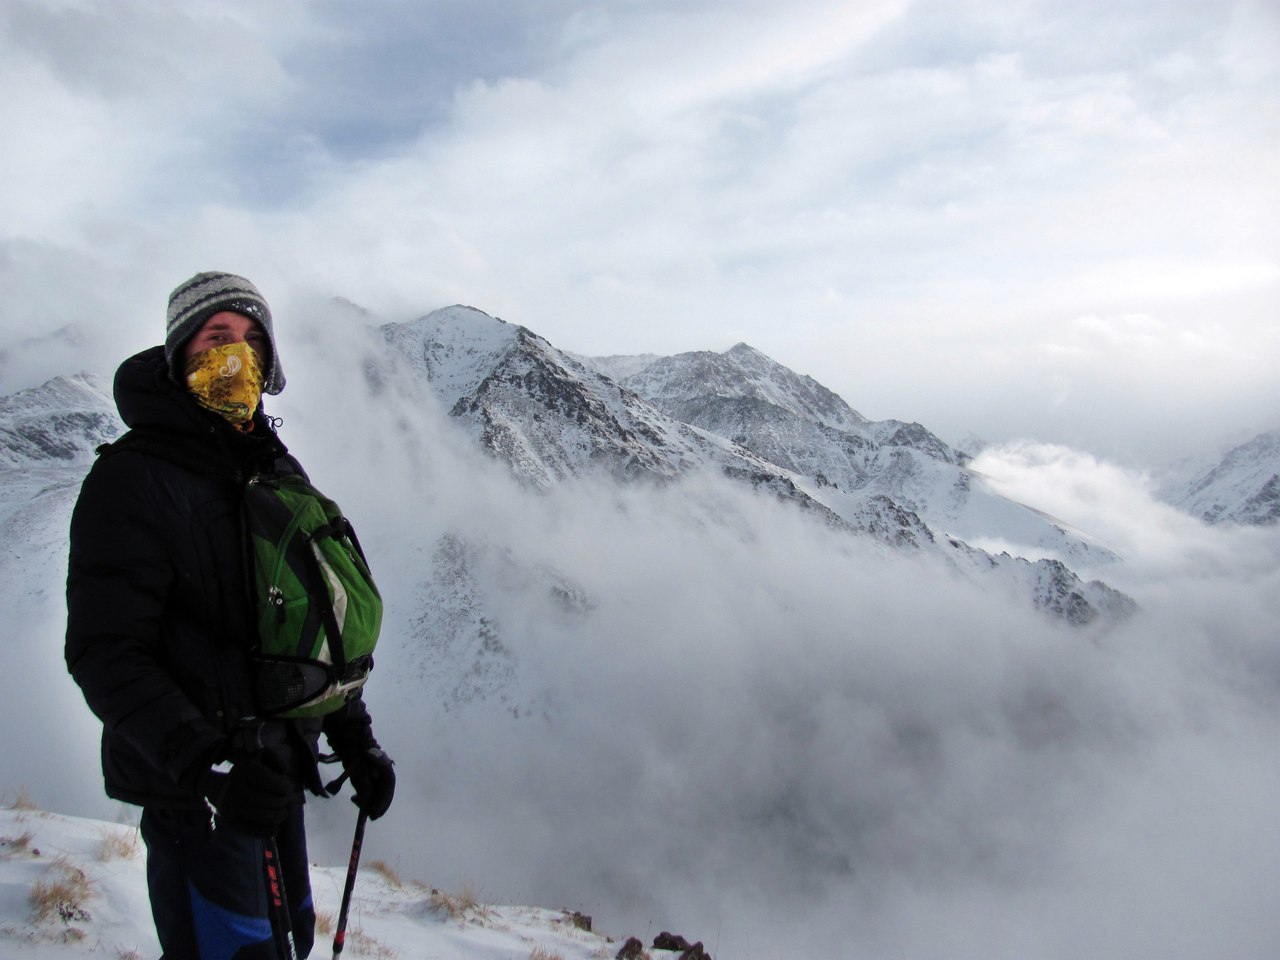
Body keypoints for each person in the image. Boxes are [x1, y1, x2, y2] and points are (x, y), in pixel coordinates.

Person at [66, 271, 396, 959]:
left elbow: (309, 626)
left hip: (275, 778)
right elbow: (105, 651)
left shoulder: (274, 472)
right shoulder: (131, 479)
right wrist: (207, 766)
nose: (236, 355)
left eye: (252, 341)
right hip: (202, 801)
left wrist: (354, 738)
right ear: (179, 353)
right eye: (217, 336)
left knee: (291, 941)